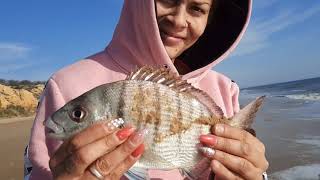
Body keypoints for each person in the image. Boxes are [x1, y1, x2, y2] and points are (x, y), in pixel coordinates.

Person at [24, 0, 269, 179]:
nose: (178, 19)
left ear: (209, 19)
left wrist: (255, 175)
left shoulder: (225, 89)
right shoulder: (64, 84)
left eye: (197, 8)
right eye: (168, 0)